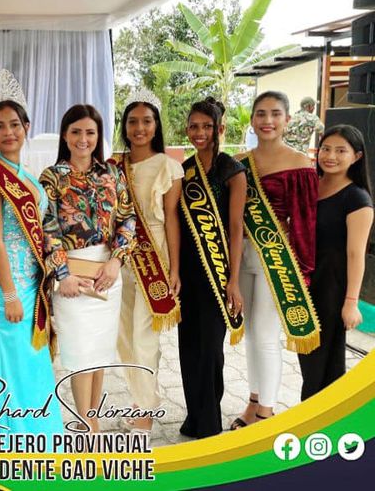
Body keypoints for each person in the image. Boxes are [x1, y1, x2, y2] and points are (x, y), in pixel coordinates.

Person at [40, 104, 136, 432]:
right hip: (72, 275)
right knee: (81, 353)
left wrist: (116, 261)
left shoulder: (112, 173)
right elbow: (47, 229)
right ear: (65, 135)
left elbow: (127, 218)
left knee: (98, 353)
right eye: (76, 131)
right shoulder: (52, 177)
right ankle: (88, 425)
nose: (83, 139)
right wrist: (62, 275)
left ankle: (90, 420)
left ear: (99, 136)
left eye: (90, 132)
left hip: (107, 272)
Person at [0, 86, 63, 437]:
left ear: (27, 127)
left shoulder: (26, 174)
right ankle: (13, 443)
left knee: (33, 367)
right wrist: (10, 293)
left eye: (14, 124)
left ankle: (41, 439)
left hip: (31, 284)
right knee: (13, 368)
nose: (8, 132)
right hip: (7, 286)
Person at [231, 91, 319, 429]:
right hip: (241, 255)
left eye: (275, 114)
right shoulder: (238, 161)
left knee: (266, 335)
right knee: (250, 335)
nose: (267, 121)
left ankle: (266, 413)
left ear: (287, 120)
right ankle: (253, 402)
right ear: (252, 120)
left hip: (276, 260)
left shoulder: (300, 164)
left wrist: (303, 272)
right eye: (261, 114)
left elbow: (305, 223)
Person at [111, 89, 182, 435]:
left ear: (156, 126)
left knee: (144, 338)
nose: (140, 128)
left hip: (153, 257)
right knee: (123, 336)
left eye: (147, 121)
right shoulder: (113, 165)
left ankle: (147, 413)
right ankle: (140, 403)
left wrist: (175, 269)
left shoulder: (168, 166)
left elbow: (172, 219)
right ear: (124, 126)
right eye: (133, 121)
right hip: (119, 257)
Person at [179, 97, 247, 438]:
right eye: (194, 126)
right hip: (188, 271)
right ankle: (194, 416)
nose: (200, 132)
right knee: (188, 346)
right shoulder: (185, 168)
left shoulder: (232, 170)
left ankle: (208, 422)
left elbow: (236, 228)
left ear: (220, 129)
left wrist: (234, 280)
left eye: (207, 126)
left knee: (210, 351)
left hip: (217, 272)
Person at [298, 125, 373, 400]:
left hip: (332, 289)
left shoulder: (357, 199)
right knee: (308, 360)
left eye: (341, 151)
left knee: (324, 367)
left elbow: (356, 255)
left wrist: (351, 302)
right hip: (306, 285)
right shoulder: (312, 186)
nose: (331, 156)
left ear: (357, 156)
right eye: (326, 149)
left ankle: (319, 418)